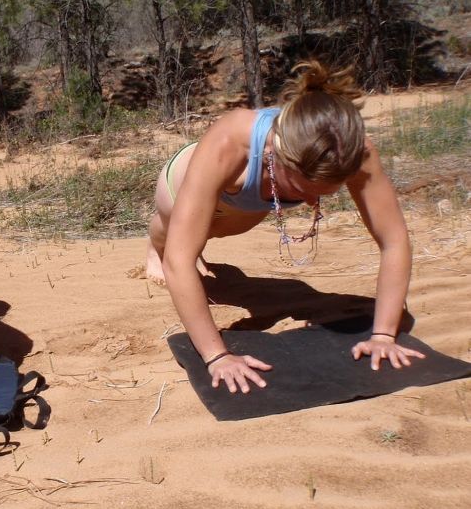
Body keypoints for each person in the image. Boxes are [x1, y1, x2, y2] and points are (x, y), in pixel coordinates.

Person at [146, 60, 425, 394]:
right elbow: (179, 260)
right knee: (173, 235)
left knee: (220, 229)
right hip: (181, 181)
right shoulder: (232, 139)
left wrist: (383, 335)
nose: (310, 202)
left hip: (251, 200)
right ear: (276, 155)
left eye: (322, 194)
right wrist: (216, 356)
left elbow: (394, 241)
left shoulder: (354, 151)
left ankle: (204, 240)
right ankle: (152, 247)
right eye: (303, 190)